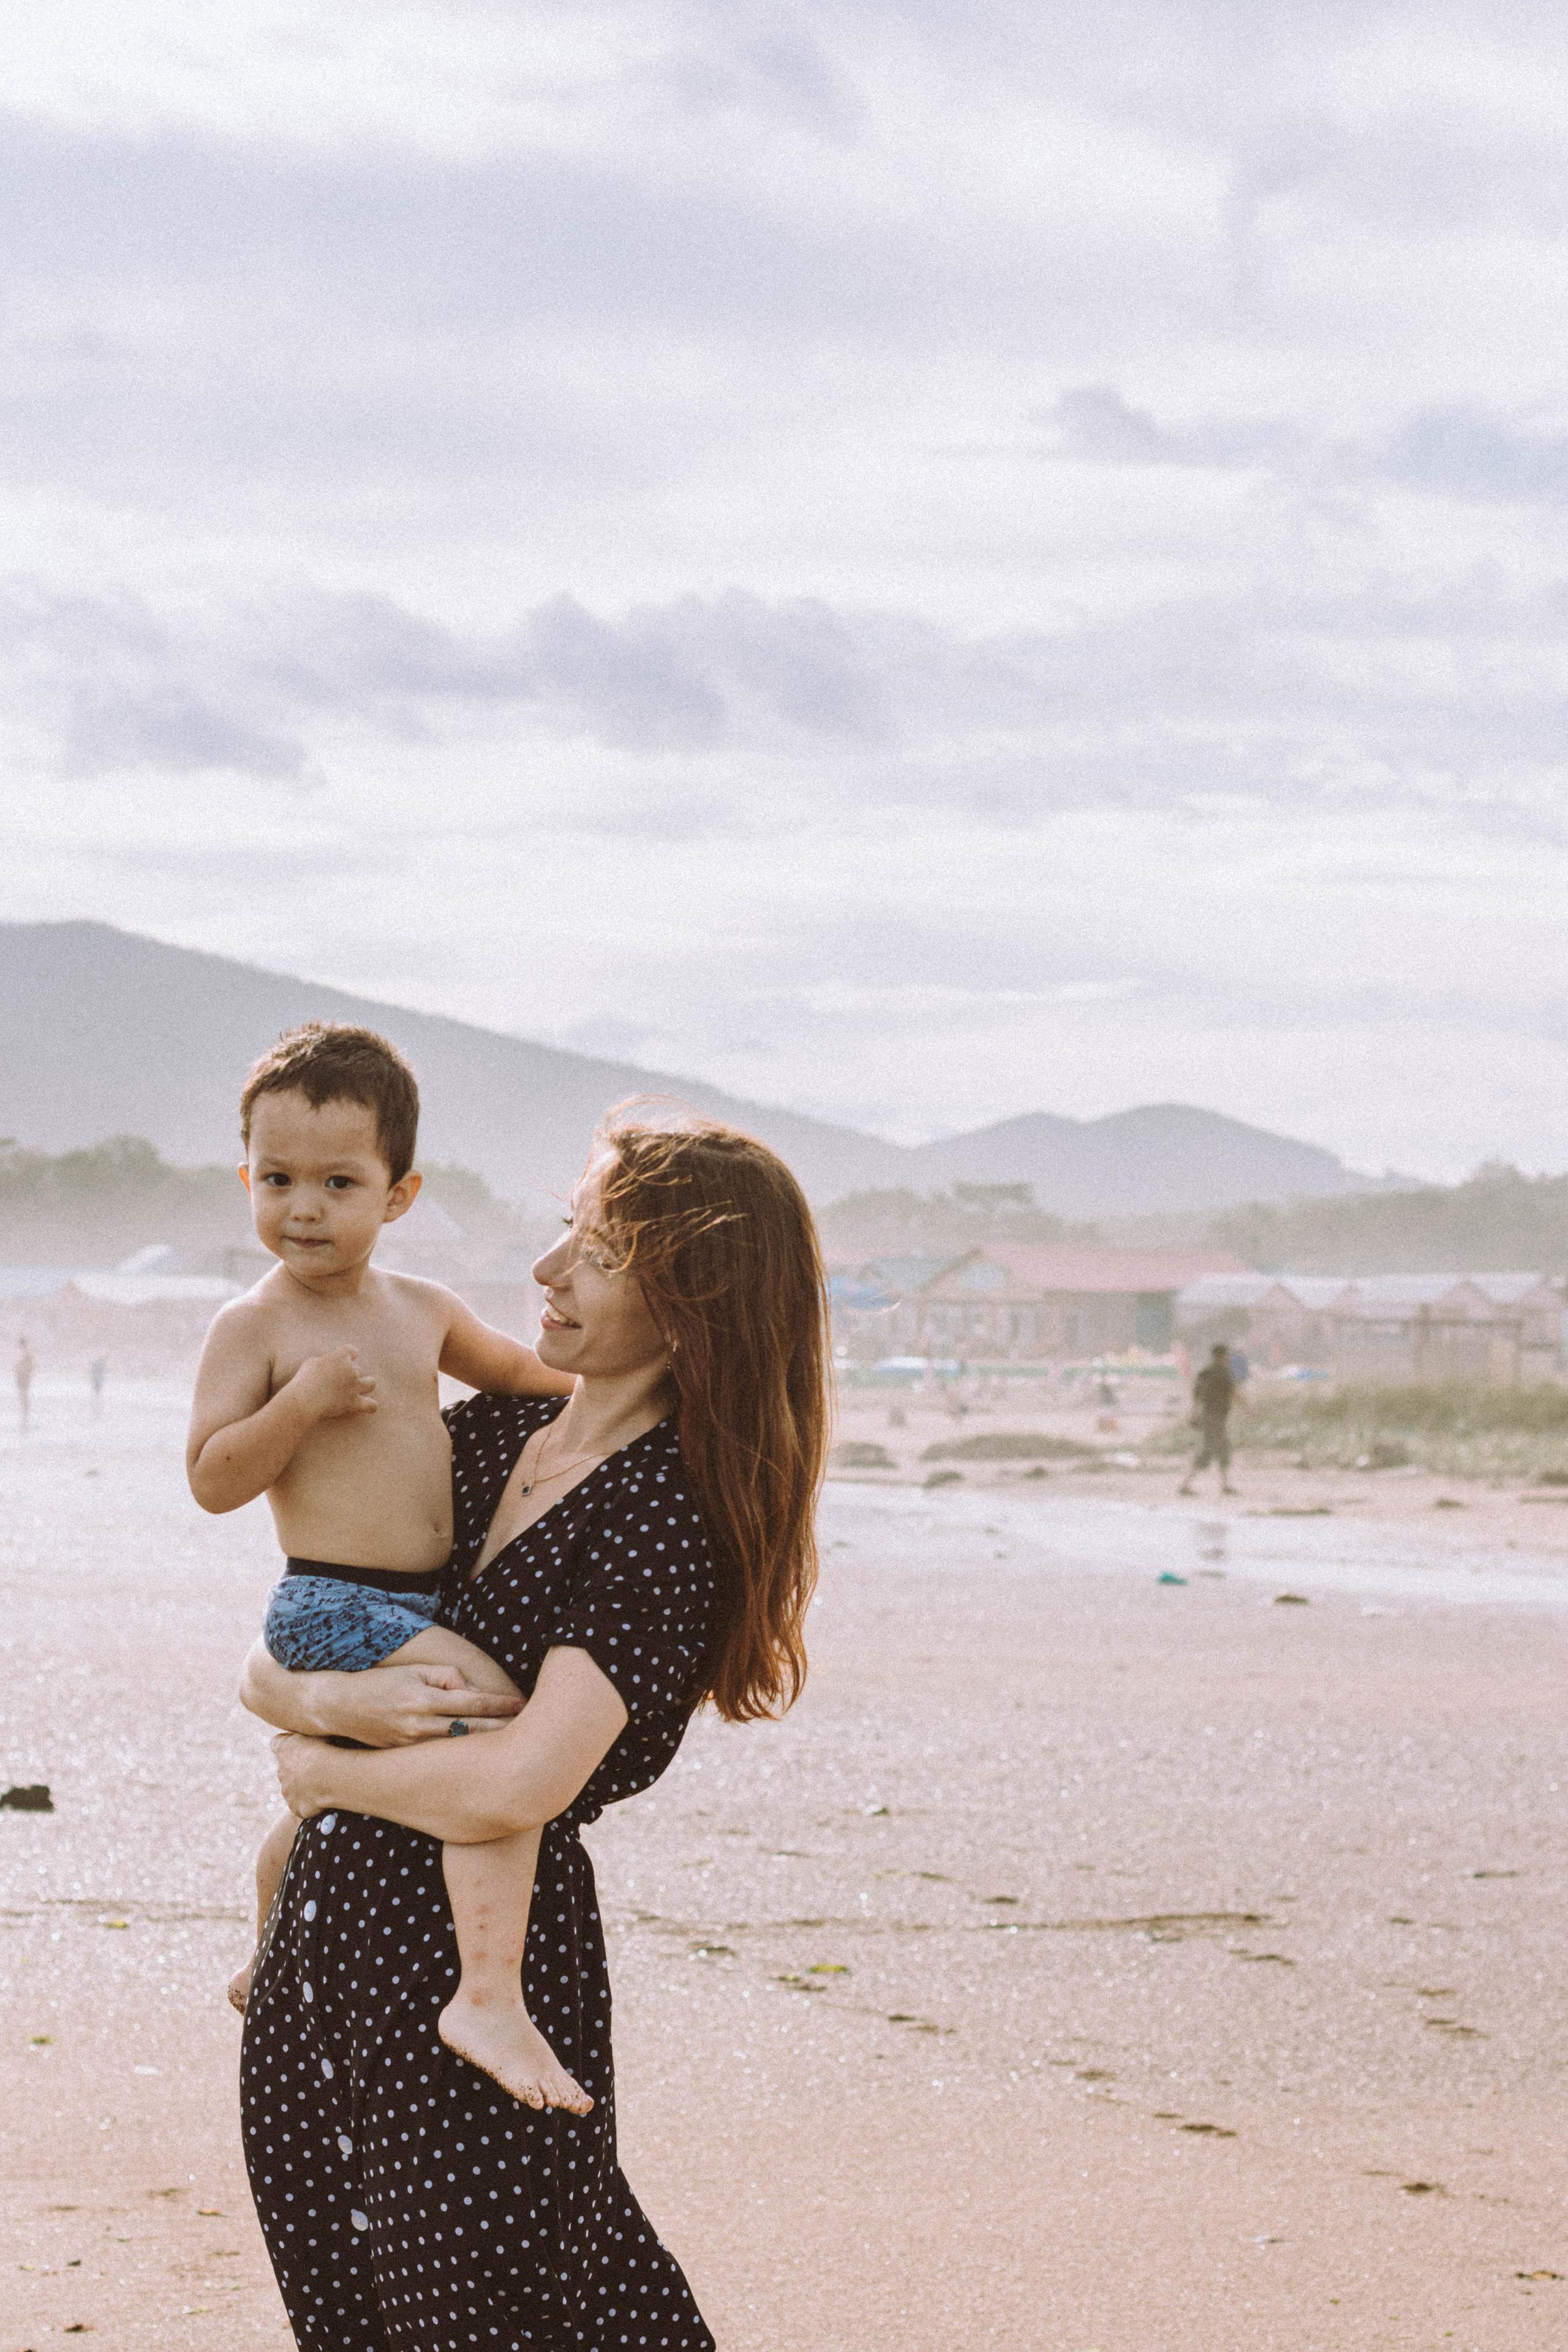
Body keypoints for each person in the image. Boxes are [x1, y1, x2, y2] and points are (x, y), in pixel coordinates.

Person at [236, 1113, 829, 2350]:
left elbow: (518, 1783)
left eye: (600, 1255)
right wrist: (325, 1715)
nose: (549, 1269)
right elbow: (289, 1635)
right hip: (319, 1972)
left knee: (533, 2316)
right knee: (349, 2324)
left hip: (479, 1983)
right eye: (568, 1230)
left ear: (694, 1307)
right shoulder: (486, 1435)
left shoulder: (664, 1517)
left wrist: (321, 1772)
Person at [186, 1021, 578, 2104]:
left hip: (418, 1598)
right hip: (329, 1599)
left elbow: (525, 1374)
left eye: (338, 1182)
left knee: (329, 1807)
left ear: (398, 1196)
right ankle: (487, 1991)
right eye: (277, 1179)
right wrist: (300, 1406)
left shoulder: (422, 1310)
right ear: (246, 1180)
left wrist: (646, 1389)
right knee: (499, 1720)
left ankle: (267, 1954)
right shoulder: (252, 1326)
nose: (303, 1208)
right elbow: (212, 1478)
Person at [1178, 1340, 1239, 1496]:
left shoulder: (1205, 1373)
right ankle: (1186, 1485)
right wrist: (1250, 1412)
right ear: (1222, 1356)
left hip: (1208, 1416)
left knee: (1219, 1449)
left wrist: (1193, 1413)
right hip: (1216, 1418)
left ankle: (1224, 1485)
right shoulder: (1223, 1374)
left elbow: (1197, 1396)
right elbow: (1235, 1394)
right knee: (1210, 1450)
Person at [14, 1335, 33, 1434]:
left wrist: (22, 1372)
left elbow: (26, 1366)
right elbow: (29, 1366)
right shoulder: (25, 1353)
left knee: (23, 1395)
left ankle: (25, 1413)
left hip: (23, 1377)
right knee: (24, 1395)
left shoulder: (24, 1353)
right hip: (23, 1377)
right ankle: (25, 1413)